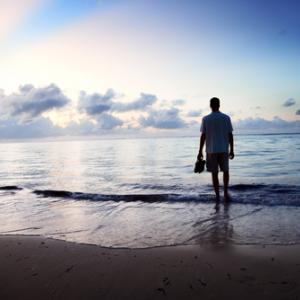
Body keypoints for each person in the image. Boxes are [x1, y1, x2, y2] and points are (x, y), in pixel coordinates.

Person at [198, 97, 234, 201]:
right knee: (226, 171)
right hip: (223, 149)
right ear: (219, 105)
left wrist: (200, 151)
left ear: (210, 105)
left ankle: (218, 195)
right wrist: (232, 149)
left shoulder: (206, 119)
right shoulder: (226, 118)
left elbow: (203, 136)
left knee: (214, 173)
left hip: (211, 150)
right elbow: (230, 135)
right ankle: (226, 194)